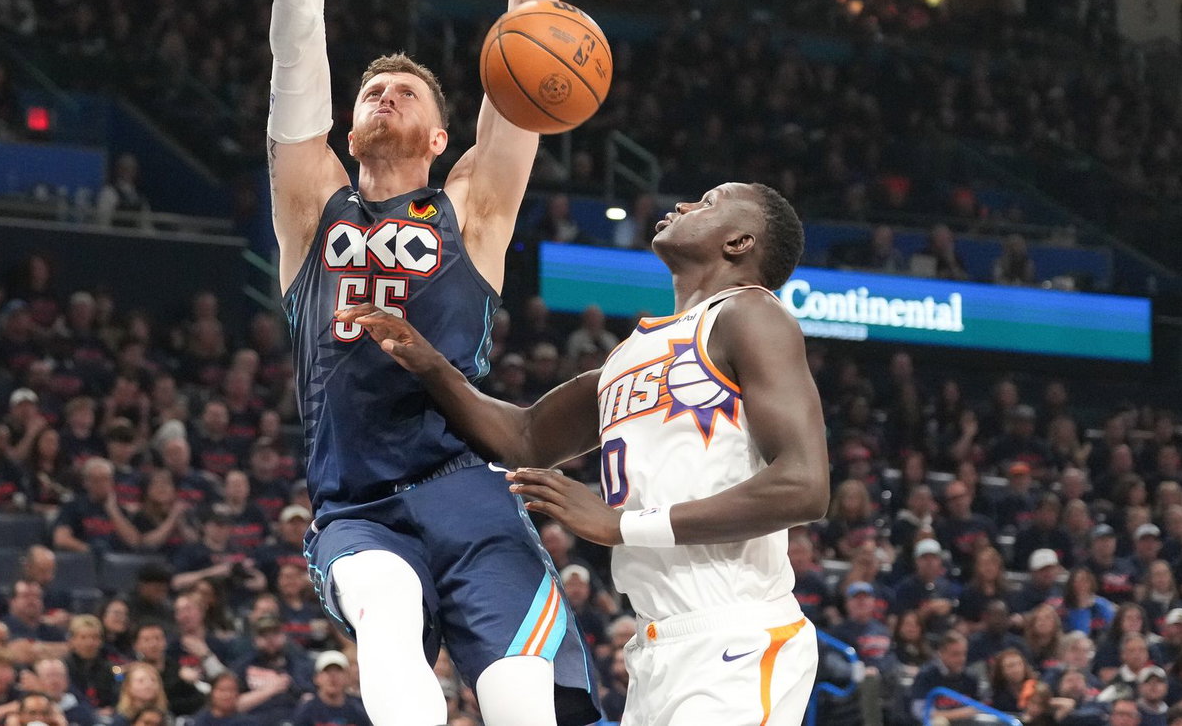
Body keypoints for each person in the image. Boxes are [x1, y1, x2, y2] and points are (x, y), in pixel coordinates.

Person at [265, 0, 597, 726]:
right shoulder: (311, 207)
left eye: (404, 88)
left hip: (467, 488)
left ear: (442, 133)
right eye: (371, 88)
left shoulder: (472, 205)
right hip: (356, 504)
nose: (383, 91)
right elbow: (295, 51)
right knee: (389, 610)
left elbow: (535, 36)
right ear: (350, 123)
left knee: (522, 695)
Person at [341, 180, 831, 725]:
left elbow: (804, 485)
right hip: (656, 648)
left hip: (737, 634)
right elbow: (525, 439)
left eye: (709, 202)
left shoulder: (749, 315)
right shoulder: (633, 352)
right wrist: (431, 366)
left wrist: (623, 526)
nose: (683, 204)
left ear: (739, 242)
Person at [290, 652, 371, 726]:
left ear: (347, 677)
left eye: (338, 671)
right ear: (317, 678)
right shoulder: (306, 712)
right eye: (327, 671)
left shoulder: (358, 710)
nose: (333, 677)